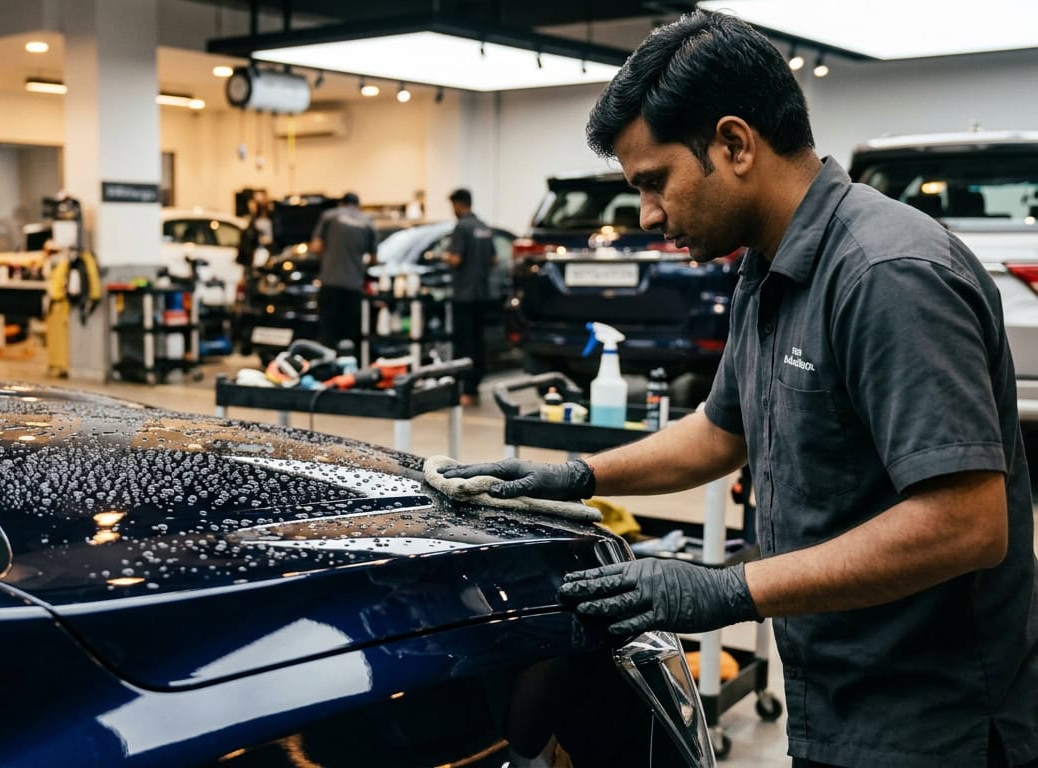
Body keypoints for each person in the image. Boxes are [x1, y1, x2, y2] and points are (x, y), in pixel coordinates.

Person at [444, 11, 1038, 768]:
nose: (649, 216)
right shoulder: (768, 267)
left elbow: (966, 523)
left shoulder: (886, 275)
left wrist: (726, 591)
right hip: (837, 698)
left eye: (655, 183)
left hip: (936, 728)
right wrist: (575, 476)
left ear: (733, 143)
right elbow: (720, 431)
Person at [440, 188, 495, 405]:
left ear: (458, 204)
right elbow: (493, 259)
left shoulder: (462, 227)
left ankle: (465, 388)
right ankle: (475, 385)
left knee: (463, 343)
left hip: (463, 294)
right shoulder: (484, 226)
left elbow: (455, 259)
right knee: (478, 340)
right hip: (482, 293)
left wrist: (442, 255)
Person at [310, 192, 377, 349]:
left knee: (328, 333)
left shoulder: (329, 216)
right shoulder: (367, 222)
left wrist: (327, 259)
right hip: (354, 286)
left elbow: (316, 246)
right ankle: (349, 368)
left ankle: (328, 368)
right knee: (351, 334)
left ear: (341, 203)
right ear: (358, 205)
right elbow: (373, 259)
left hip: (330, 283)